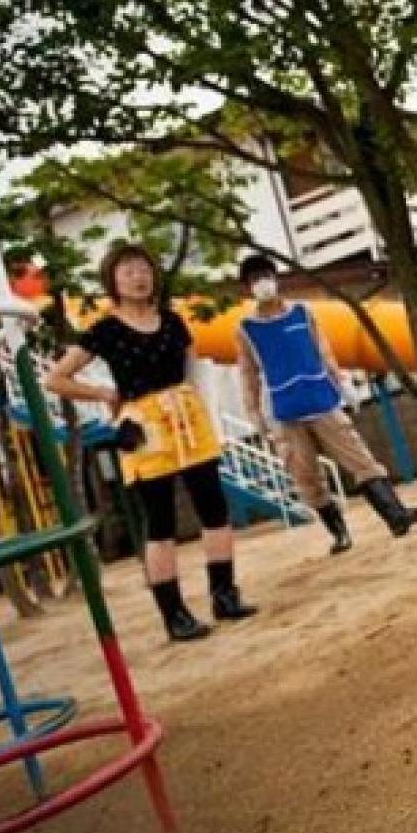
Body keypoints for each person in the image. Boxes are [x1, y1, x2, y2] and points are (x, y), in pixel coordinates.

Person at [46, 244, 258, 642]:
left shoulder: (173, 321)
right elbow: (55, 379)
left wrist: (204, 412)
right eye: (127, 271)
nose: (138, 277)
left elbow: (193, 368)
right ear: (113, 281)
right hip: (144, 426)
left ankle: (225, 596)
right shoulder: (105, 330)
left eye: (143, 269)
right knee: (160, 521)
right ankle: (174, 615)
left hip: (188, 418)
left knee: (214, 508)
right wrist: (104, 394)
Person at [232, 254, 417, 553]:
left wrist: (343, 384)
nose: (263, 283)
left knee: (359, 457)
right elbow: (248, 375)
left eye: (266, 276)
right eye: (255, 280)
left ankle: (396, 515)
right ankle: (339, 534)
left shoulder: (302, 313)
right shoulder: (246, 329)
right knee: (305, 475)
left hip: (322, 400)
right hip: (285, 412)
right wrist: (255, 415)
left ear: (276, 278)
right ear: (248, 288)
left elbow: (324, 352)